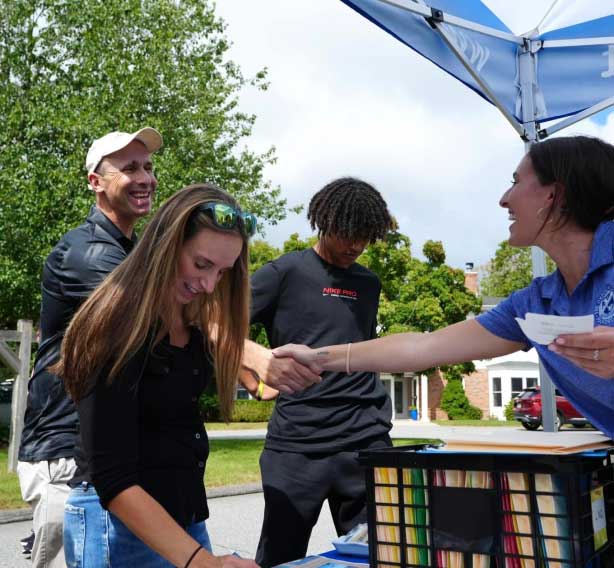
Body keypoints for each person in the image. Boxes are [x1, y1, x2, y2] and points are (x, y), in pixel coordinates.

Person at [275, 135, 614, 440]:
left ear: (555, 194)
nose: (504, 199)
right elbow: (422, 348)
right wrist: (316, 357)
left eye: (515, 182)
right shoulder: (536, 303)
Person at [52, 183, 259, 568]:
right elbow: (112, 479)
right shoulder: (115, 325)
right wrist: (203, 562)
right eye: (201, 265)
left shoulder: (191, 323)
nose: (209, 284)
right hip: (117, 524)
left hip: (183, 522)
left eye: (223, 272)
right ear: (166, 244)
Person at [17, 127, 162, 568]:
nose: (145, 177)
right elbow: (154, 321)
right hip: (66, 450)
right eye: (129, 168)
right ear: (95, 182)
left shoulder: (130, 250)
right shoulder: (90, 253)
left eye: (149, 167)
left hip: (97, 445)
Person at [241, 177, 394, 568]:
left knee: (378, 556)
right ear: (324, 221)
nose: (356, 246)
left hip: (365, 441)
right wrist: (254, 382)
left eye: (365, 237)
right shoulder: (284, 272)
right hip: (297, 446)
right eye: (348, 234)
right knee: (280, 557)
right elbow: (221, 326)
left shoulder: (369, 283)